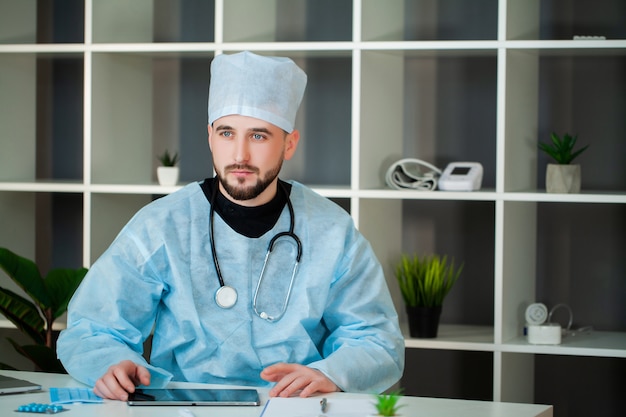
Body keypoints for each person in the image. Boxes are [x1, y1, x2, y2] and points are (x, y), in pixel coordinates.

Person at [57, 51, 404, 401]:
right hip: (186, 410)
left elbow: (376, 339)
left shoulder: (333, 230)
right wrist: (113, 363)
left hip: (294, 409)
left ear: (289, 143)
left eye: (258, 136)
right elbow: (92, 328)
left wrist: (328, 373)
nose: (240, 155)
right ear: (210, 137)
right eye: (226, 133)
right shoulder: (162, 224)